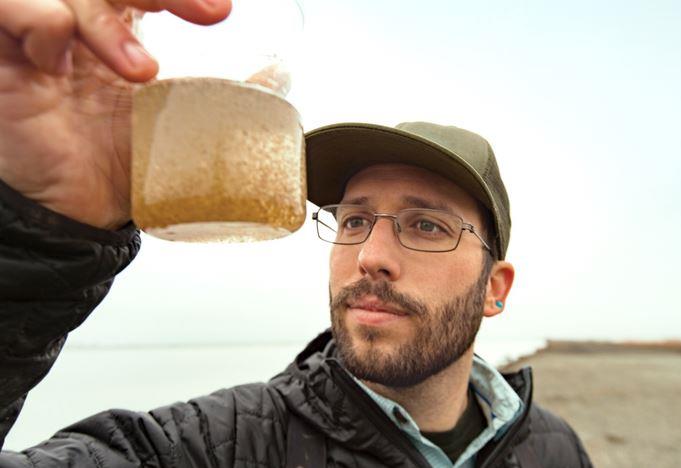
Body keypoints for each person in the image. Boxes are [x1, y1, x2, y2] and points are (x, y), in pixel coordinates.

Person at [0, 1, 593, 466]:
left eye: (427, 226)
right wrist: (38, 230)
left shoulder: (553, 449)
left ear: (496, 288)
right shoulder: (216, 444)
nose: (370, 257)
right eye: (354, 220)